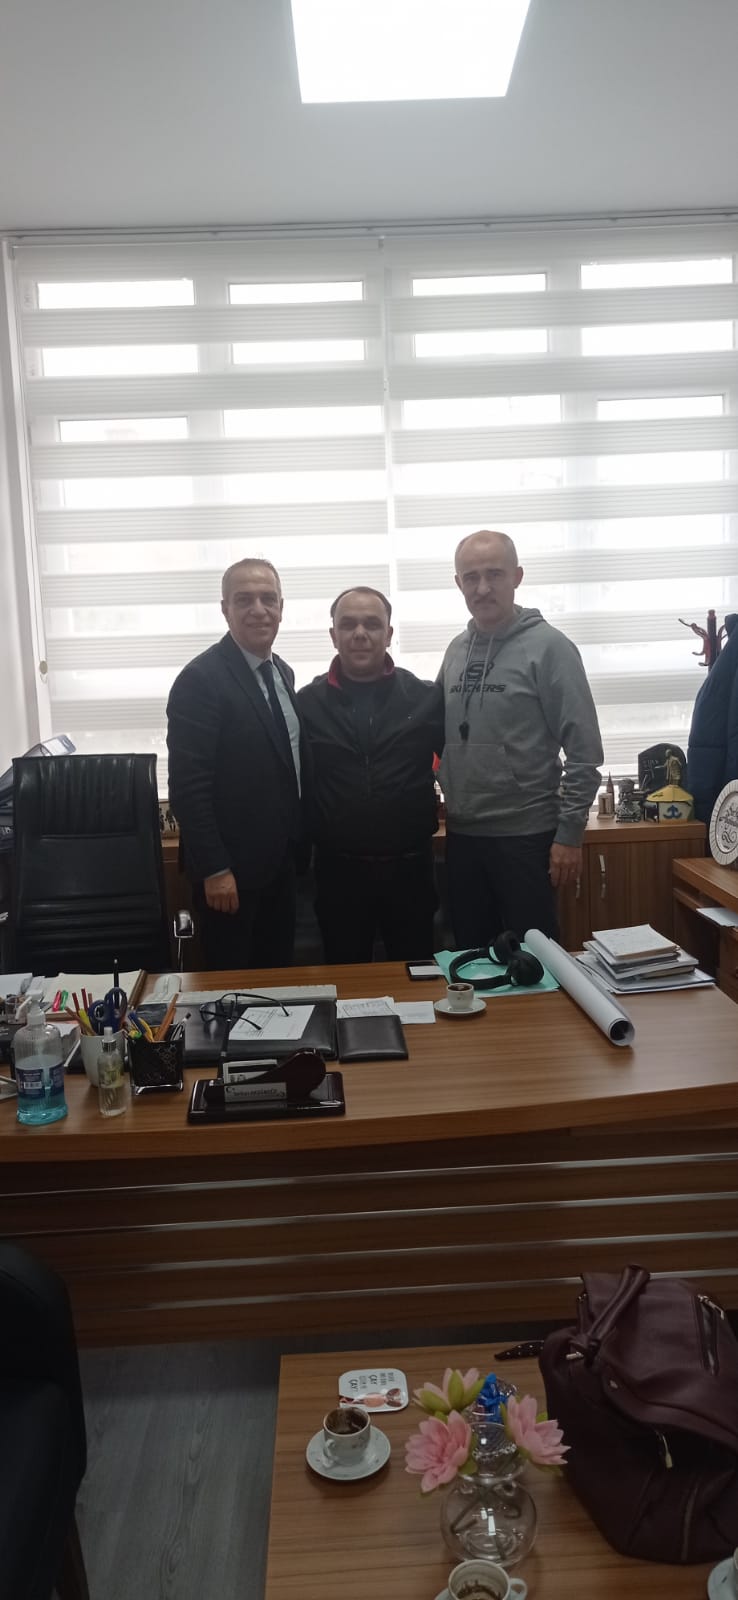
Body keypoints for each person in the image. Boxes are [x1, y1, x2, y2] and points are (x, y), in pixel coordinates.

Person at [438, 530, 603, 945]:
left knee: (536, 963)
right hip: (463, 838)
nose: (482, 587)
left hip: (526, 838)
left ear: (517, 576)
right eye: (471, 577)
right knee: (472, 961)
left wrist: (570, 834)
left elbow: (584, 750)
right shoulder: (456, 650)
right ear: (458, 583)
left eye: (494, 574)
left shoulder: (550, 648)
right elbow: (437, 736)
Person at [166, 558, 307, 969]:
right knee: (233, 990)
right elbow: (188, 786)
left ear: (281, 607)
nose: (258, 610)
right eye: (244, 600)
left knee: (279, 981)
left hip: (279, 865)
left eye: (268, 599)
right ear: (225, 608)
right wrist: (214, 869)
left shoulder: (282, 672)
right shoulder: (201, 680)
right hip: (229, 876)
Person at [297, 586, 444, 963]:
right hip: (338, 873)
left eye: (372, 624)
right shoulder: (306, 704)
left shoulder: (424, 697)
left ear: (389, 634)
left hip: (410, 870)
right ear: (333, 635)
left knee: (416, 978)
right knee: (346, 981)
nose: (360, 633)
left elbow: (461, 764)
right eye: (348, 624)